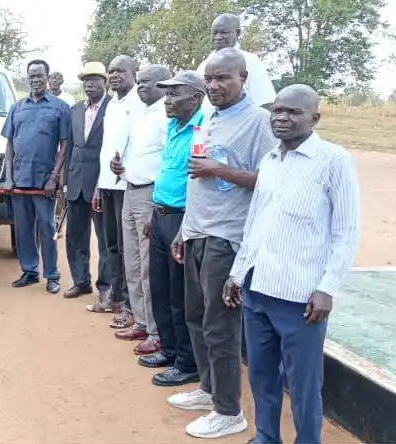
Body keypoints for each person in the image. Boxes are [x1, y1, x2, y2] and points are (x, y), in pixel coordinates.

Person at [227, 84, 360, 444]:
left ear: (314, 118)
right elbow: (255, 222)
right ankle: (266, 437)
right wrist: (237, 273)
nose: (282, 118)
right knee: (261, 375)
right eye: (277, 111)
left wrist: (328, 287)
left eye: (293, 112)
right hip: (257, 288)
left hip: (301, 298)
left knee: (303, 385)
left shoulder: (333, 160)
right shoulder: (270, 160)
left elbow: (346, 231)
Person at [167, 49, 277, 439]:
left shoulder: (258, 122)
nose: (214, 85)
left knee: (220, 327)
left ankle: (229, 411)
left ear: (243, 79)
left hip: (227, 237)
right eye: (209, 79)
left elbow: (272, 180)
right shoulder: (210, 118)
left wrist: (220, 169)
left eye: (222, 78)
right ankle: (209, 389)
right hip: (197, 232)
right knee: (196, 318)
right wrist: (184, 230)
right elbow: (197, 181)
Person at [136, 71, 203, 386]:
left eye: (175, 94)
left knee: (180, 295)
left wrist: (183, 226)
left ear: (195, 98)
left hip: (182, 220)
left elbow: (198, 186)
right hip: (161, 215)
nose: (167, 100)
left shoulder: (202, 130)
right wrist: (154, 212)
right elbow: (167, 174)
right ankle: (170, 349)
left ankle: (187, 363)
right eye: (167, 93)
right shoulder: (174, 127)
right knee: (160, 290)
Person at [110, 64, 171, 356]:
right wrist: (121, 168)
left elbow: (168, 161)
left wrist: (157, 201)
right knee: (132, 262)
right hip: (130, 189)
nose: (141, 86)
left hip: (150, 195)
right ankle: (141, 320)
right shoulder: (142, 113)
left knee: (148, 267)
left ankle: (156, 331)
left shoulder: (166, 115)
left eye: (147, 82)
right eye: (140, 82)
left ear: (163, 85)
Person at [1, 59, 70, 294]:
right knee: (23, 230)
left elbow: (65, 145)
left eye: (40, 75)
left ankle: (52, 275)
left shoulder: (60, 107)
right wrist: (8, 178)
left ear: (47, 77)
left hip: (44, 182)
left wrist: (54, 177)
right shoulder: (17, 108)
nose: (36, 80)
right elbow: (9, 144)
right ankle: (29, 271)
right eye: (32, 76)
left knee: (48, 229)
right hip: (19, 180)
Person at [94, 55, 142, 320]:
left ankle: (130, 305)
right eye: (111, 71)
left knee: (127, 247)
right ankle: (114, 296)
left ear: (134, 72)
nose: (114, 76)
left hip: (128, 185)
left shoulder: (140, 102)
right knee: (110, 243)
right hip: (107, 184)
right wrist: (98, 186)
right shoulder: (112, 104)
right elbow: (107, 148)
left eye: (120, 71)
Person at [63, 62, 110, 300]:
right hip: (75, 183)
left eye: (95, 80)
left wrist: (103, 183)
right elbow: (70, 146)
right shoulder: (75, 110)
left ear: (105, 82)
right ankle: (81, 282)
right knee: (75, 237)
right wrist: (65, 182)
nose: (90, 84)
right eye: (86, 80)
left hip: (102, 185)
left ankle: (106, 287)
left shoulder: (114, 108)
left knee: (105, 240)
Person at [196, 13, 276, 116]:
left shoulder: (250, 61)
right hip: (208, 123)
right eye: (214, 33)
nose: (218, 37)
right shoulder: (203, 65)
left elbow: (265, 102)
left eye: (223, 32)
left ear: (237, 33)